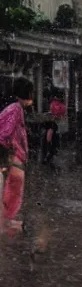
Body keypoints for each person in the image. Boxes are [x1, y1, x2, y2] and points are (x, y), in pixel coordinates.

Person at [0, 78, 34, 237]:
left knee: (12, 188)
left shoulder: (13, 108)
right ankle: (6, 222)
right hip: (14, 157)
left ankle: (7, 221)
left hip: (14, 156)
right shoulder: (15, 109)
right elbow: (5, 134)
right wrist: (9, 152)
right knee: (14, 188)